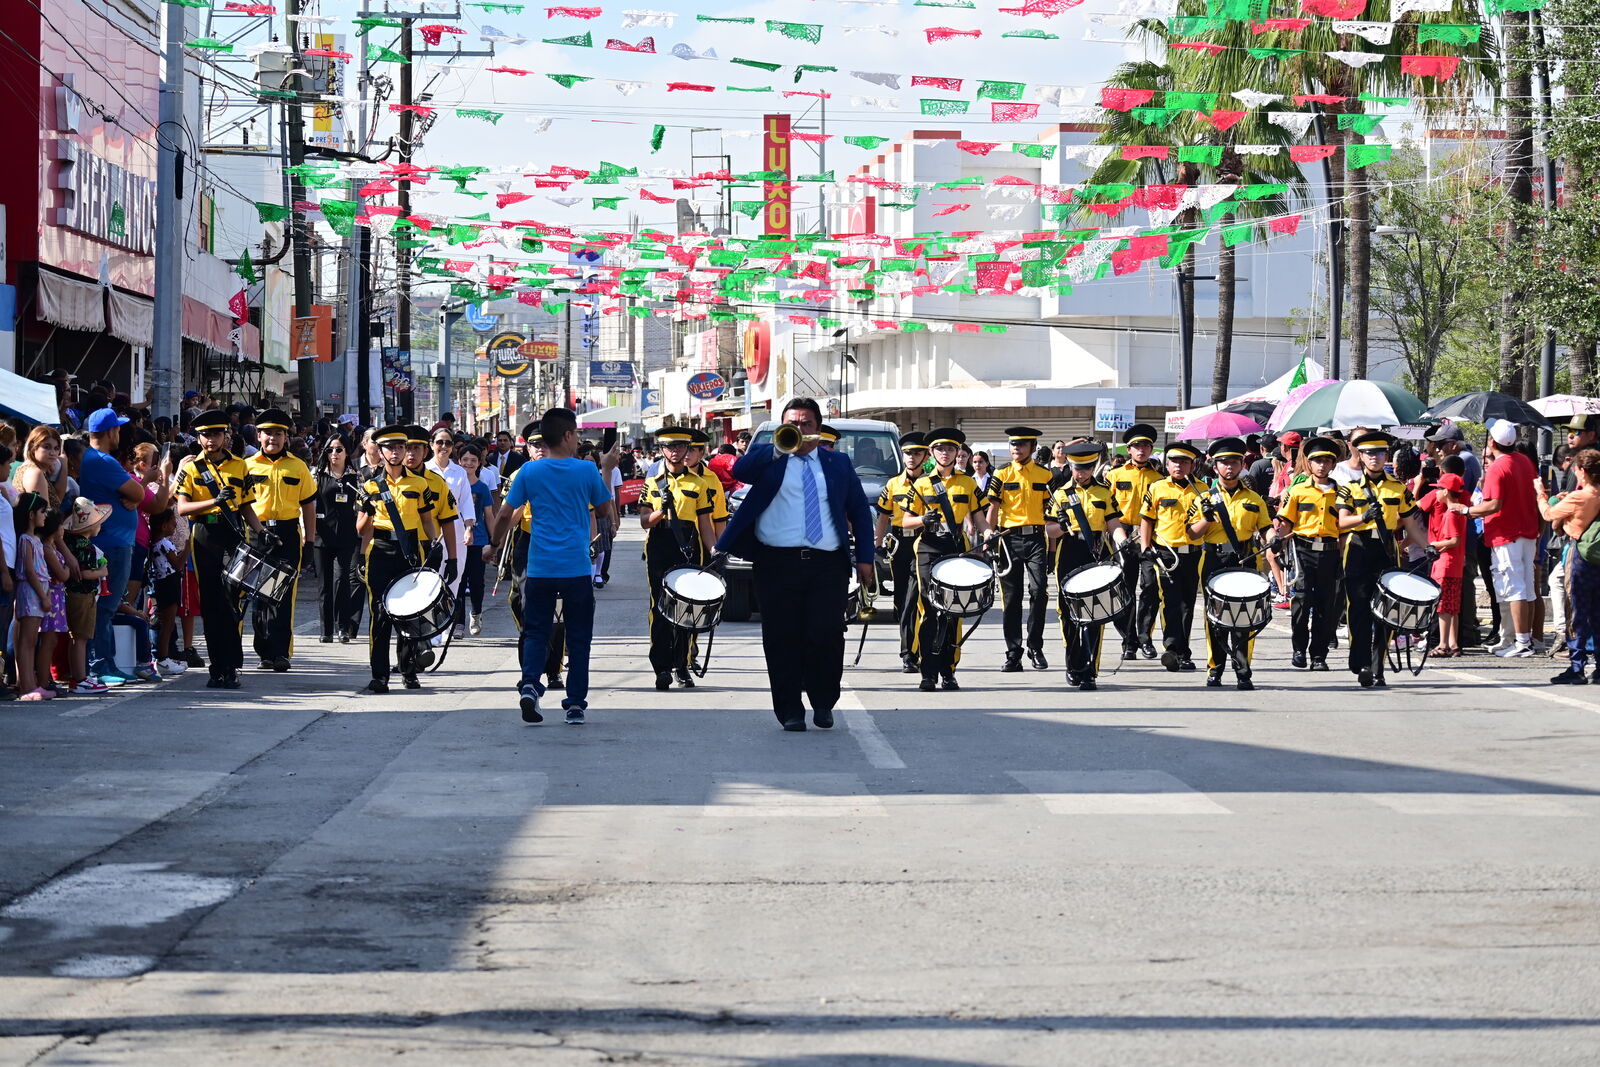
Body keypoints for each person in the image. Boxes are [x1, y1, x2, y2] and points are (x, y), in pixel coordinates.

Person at [715, 397, 876, 729]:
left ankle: (823, 700)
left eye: (806, 424)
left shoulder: (838, 463)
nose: (799, 430)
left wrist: (865, 559)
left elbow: (859, 510)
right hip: (777, 563)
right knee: (781, 637)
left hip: (827, 564)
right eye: (792, 424)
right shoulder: (771, 461)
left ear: (818, 428)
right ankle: (789, 710)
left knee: (826, 633)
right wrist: (778, 448)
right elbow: (740, 470)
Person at [490, 408, 617, 725]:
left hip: (540, 568)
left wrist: (493, 545)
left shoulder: (529, 473)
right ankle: (575, 704)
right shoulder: (586, 471)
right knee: (579, 638)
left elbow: (506, 514)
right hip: (575, 568)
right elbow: (603, 509)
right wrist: (605, 469)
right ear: (568, 436)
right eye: (576, 433)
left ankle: (530, 685)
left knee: (535, 632)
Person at [174, 409, 268, 689]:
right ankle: (217, 667)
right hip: (204, 534)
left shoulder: (240, 465)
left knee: (231, 602)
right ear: (199, 438)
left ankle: (232, 665)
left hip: (233, 534)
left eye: (216, 434)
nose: (210, 439)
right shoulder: (191, 468)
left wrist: (262, 532)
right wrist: (214, 500)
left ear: (226, 435)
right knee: (212, 604)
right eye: (205, 435)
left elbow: (247, 505)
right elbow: (182, 508)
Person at [1336, 431, 1432, 688]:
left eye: (1379, 453)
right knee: (1358, 610)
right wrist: (1364, 516)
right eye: (1368, 453)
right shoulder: (1350, 488)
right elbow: (1342, 522)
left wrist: (1428, 546)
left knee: (1386, 613)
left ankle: (1377, 667)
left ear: (1386, 455)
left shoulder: (1398, 488)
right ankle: (1362, 663)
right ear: (1361, 456)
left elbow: (1412, 524)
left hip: (1386, 550)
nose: (1374, 458)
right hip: (1357, 549)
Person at [355, 425, 441, 694]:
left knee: (408, 614)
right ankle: (379, 675)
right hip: (380, 550)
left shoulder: (419, 483)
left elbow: (427, 520)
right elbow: (360, 529)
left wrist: (435, 546)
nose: (395, 452)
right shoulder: (368, 484)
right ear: (379, 451)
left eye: (400, 447)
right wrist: (367, 511)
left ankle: (408, 670)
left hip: (411, 551)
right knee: (380, 616)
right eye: (389, 448)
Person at [903, 426, 986, 693]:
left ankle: (948, 671)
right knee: (929, 609)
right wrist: (921, 520)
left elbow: (980, 519)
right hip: (927, 548)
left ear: (957, 453)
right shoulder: (921, 484)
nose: (945, 453)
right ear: (932, 452)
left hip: (956, 548)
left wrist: (991, 534)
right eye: (940, 448)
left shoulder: (968, 483)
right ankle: (927, 673)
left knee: (953, 612)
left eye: (950, 449)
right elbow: (905, 521)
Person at [1187, 437, 1273, 690]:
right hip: (1214, 558)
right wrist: (1206, 519)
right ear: (1215, 467)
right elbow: (1192, 534)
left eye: (1234, 462)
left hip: (1245, 558)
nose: (1229, 467)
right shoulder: (1204, 498)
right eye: (1224, 462)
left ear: (1241, 465)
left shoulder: (1254, 498)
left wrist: (1274, 539)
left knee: (1245, 617)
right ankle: (1215, 668)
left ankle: (1243, 669)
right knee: (1215, 617)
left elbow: (1265, 527)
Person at [1452, 421, 1542, 658]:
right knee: (1524, 589)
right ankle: (1518, 638)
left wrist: (1466, 511)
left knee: (1514, 589)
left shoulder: (1498, 468)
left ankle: (1522, 642)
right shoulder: (1525, 462)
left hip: (1506, 534)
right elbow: (1535, 495)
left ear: (1492, 442)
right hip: (1527, 532)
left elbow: (1493, 505)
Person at [1047, 439, 1131, 691]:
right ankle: (1073, 665)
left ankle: (1090, 669)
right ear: (1070, 467)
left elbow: (1113, 524)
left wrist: (1123, 542)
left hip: (1096, 552)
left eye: (1086, 468)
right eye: (1076, 468)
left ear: (1094, 466)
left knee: (1097, 613)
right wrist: (1061, 526)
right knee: (1070, 614)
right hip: (1070, 552)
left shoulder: (1104, 492)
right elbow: (1049, 530)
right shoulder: (1061, 494)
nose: (1081, 473)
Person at [640, 427, 718, 690]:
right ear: (661, 450)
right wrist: (660, 510)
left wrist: (714, 551)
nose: (675, 451)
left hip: (687, 546)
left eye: (680, 447)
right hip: (659, 546)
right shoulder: (651, 483)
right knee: (660, 609)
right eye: (669, 447)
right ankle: (661, 667)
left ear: (687, 450)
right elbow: (643, 522)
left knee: (688, 610)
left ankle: (682, 666)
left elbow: (705, 523)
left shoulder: (700, 483)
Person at [241, 409, 316, 671]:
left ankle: (281, 652)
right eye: (268, 433)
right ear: (259, 435)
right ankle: (264, 651)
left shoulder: (298, 466)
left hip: (287, 533)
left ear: (286, 436)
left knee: (284, 595)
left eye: (278, 433)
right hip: (257, 533)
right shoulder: (247, 466)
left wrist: (310, 543)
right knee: (260, 595)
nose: (273, 438)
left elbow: (308, 506)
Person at [80, 407, 148, 684]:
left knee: (104, 606)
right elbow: (139, 492)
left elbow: (136, 495)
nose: (120, 433)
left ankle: (104, 663)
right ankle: (101, 665)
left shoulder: (94, 458)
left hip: (109, 540)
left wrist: (133, 495)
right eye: (118, 429)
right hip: (111, 543)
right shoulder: (102, 461)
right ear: (109, 432)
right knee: (105, 607)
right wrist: (134, 494)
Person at [985, 426, 1058, 672]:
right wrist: (990, 538)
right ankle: (1013, 653)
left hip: (1037, 539)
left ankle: (1035, 647)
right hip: (1008, 539)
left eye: (1021, 445)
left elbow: (1052, 515)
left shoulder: (1045, 476)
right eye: (1013, 445)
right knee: (1011, 598)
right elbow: (992, 509)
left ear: (1033, 448)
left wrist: (1052, 552)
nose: (1016, 448)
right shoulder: (1001, 474)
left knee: (1040, 592)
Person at [1273, 436, 1344, 670]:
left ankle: (1319, 655)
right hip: (1303, 550)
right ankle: (1299, 650)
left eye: (1327, 461)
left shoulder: (1343, 493)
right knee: (1302, 602)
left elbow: (1346, 527)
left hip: (1331, 553)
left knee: (1327, 605)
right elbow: (1286, 521)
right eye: (1317, 461)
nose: (1322, 465)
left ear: (1333, 465)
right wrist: (1278, 541)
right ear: (1309, 464)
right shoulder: (1298, 491)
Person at [1141, 441, 1205, 672]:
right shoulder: (1158, 488)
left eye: (1184, 462)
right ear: (1167, 464)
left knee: (1188, 604)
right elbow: (1147, 519)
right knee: (1170, 601)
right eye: (1175, 461)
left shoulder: (1203, 490)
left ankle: (1183, 651)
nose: (1179, 466)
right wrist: (1145, 548)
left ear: (1192, 465)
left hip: (1193, 553)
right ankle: (1172, 648)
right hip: (1165, 553)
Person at [1537, 448, 1600, 684]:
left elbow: (1548, 514)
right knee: (1596, 612)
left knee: (1577, 611)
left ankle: (1577, 667)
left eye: (1577, 468)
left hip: (1580, 555)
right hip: (1597, 556)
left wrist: (1540, 495)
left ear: (1583, 471)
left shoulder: (1580, 497)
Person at [873, 432, 929, 674]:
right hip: (899, 544)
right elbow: (883, 516)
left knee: (918, 599)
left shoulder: (931, 483)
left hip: (925, 541)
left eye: (917, 453)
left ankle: (911, 653)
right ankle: (909, 649)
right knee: (902, 600)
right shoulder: (893, 484)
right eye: (907, 453)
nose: (911, 457)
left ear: (925, 456)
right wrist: (876, 543)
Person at [1108, 424, 1164, 661]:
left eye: (1146, 446)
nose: (1142, 450)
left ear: (1151, 449)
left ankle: (1145, 637)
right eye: (1137, 446)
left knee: (1151, 587)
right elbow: (1106, 511)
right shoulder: (1115, 475)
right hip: (1124, 534)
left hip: (1150, 537)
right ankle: (1128, 639)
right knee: (1124, 590)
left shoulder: (1160, 478)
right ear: (1129, 450)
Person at [404, 425, 460, 642]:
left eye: (416, 448)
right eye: (406, 448)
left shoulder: (437, 482)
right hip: (400, 548)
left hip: (429, 550)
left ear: (425, 451)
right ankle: (408, 654)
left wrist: (452, 559)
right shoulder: (391, 483)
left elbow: (448, 522)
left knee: (424, 602)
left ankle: (423, 645)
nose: (411, 454)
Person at [314, 433, 363, 643]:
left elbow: (362, 505)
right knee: (325, 584)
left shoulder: (355, 477)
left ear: (347, 452)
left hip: (347, 536)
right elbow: (307, 506)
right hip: (321, 535)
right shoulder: (316, 475)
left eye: (339, 449)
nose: (334, 453)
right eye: (330, 450)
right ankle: (326, 630)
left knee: (342, 579)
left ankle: (343, 627)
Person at [1418, 460, 1469, 657]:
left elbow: (1453, 540)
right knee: (1453, 607)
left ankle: (1443, 644)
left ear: (1446, 492)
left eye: (1439, 489)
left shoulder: (1450, 513)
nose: (1436, 492)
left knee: (1443, 608)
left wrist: (1432, 545)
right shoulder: (1460, 510)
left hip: (1445, 565)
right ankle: (1454, 643)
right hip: (1453, 565)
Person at [426, 426, 473, 639]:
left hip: (455, 530)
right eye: (439, 442)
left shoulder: (459, 472)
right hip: (430, 531)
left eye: (448, 443)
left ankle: (444, 626)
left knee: (453, 579)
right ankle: (430, 628)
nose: (443, 447)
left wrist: (469, 528)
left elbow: (466, 503)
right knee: (431, 579)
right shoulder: (424, 471)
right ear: (431, 445)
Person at [62, 496, 112, 693]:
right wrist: (103, 571)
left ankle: (76, 676)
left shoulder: (70, 543)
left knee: (75, 637)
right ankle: (81, 679)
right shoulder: (87, 547)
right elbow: (84, 573)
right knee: (81, 638)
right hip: (83, 594)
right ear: (92, 527)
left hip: (71, 593)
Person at [14, 491, 53, 699]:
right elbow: (29, 570)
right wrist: (43, 596)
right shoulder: (25, 540)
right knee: (27, 641)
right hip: (30, 593)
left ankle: (31, 684)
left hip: (37, 593)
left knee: (31, 641)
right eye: (41, 511)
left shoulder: (35, 540)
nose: (44, 515)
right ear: (31, 515)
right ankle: (26, 686)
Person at [12, 426, 69, 511]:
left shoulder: (35, 469)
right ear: (33, 447)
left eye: (56, 448)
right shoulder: (34, 473)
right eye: (46, 447)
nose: (53, 453)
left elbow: (56, 501)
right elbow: (43, 516)